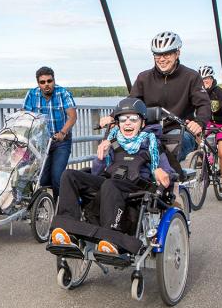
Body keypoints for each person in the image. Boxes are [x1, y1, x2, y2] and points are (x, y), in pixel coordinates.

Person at [49, 98, 175, 255]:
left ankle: (111, 239)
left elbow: (168, 174)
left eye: (133, 119)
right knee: (69, 175)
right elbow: (96, 174)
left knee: (110, 184)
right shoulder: (112, 142)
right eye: (123, 119)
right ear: (118, 123)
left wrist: (160, 171)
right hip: (109, 183)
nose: (128, 123)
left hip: (136, 188)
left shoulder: (151, 144)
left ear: (142, 123)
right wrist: (101, 157)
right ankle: (67, 231)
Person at [101, 31, 211, 162]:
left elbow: (204, 104)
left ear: (177, 53)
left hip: (179, 130)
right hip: (149, 129)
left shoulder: (191, 77)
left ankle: (167, 179)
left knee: (169, 151)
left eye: (167, 54)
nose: (162, 59)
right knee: (118, 147)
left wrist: (199, 122)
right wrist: (113, 117)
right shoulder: (144, 78)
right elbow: (131, 102)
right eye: (157, 55)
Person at [23, 66, 77, 198]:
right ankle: (47, 202)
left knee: (57, 176)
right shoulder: (31, 94)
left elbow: (72, 116)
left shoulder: (63, 93)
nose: (46, 84)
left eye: (49, 81)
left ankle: (60, 207)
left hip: (61, 141)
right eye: (42, 82)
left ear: (54, 80)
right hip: (41, 143)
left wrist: (63, 133)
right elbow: (26, 117)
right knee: (41, 178)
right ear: (38, 83)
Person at [199, 65, 222, 194]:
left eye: (207, 78)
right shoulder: (199, 93)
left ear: (212, 78)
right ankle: (205, 159)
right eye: (202, 79)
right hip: (208, 122)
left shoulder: (219, 92)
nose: (204, 81)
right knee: (196, 134)